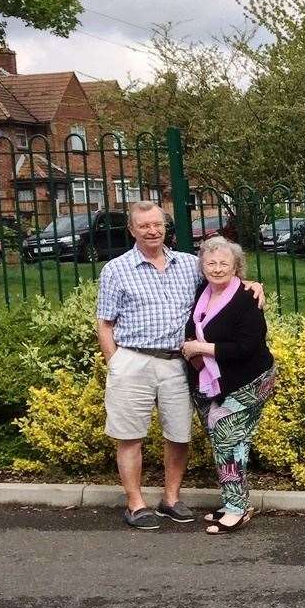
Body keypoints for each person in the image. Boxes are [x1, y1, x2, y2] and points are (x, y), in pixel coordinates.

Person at [96, 201, 264, 531]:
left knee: (178, 435)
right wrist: (115, 362)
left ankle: (170, 499)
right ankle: (135, 504)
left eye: (157, 224)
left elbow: (222, 278)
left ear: (165, 227)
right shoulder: (116, 269)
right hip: (133, 360)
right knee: (129, 437)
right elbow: (105, 323)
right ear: (132, 230)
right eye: (144, 226)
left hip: (176, 363)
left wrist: (251, 284)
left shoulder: (189, 265)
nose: (152, 231)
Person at [181, 235, 276, 535]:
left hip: (249, 380)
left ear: (237, 267)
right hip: (214, 382)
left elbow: (246, 347)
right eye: (211, 263)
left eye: (224, 263)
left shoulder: (247, 298)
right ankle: (236, 501)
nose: (218, 268)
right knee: (231, 442)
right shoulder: (202, 293)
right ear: (203, 266)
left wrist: (200, 348)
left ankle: (236, 508)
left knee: (225, 435)